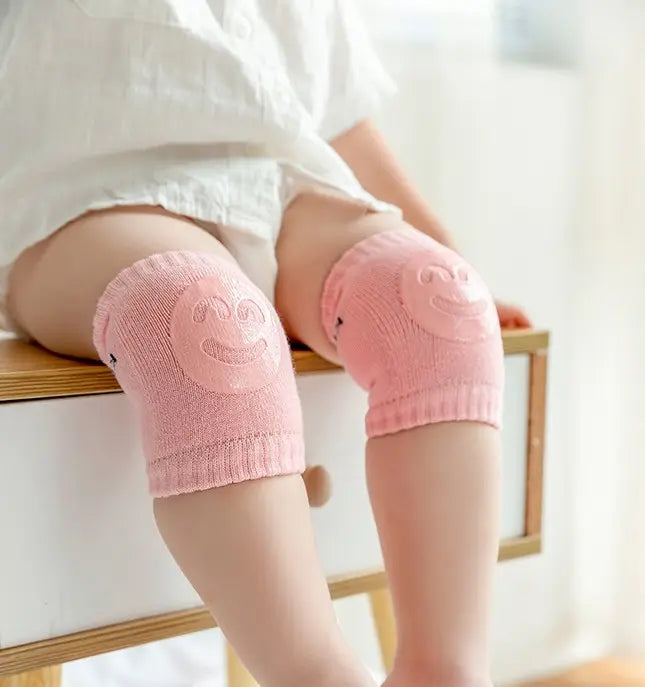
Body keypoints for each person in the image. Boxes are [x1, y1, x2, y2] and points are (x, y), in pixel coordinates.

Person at [1, 2, 531, 685]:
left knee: (437, 308)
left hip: (281, 184)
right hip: (81, 194)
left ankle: (446, 674)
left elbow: (341, 115)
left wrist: (454, 259)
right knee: (200, 324)